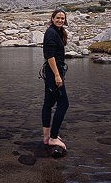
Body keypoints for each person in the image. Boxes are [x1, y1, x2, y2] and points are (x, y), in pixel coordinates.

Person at [41, 9, 69, 150]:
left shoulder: (57, 31)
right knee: (64, 104)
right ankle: (53, 138)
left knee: (48, 103)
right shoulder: (51, 32)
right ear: (52, 19)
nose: (60, 20)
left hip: (52, 72)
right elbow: (49, 55)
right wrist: (58, 76)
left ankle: (46, 137)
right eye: (57, 18)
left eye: (62, 18)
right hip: (54, 73)